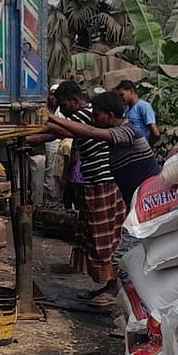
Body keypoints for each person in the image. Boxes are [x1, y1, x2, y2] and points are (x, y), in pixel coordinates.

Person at [43, 81, 123, 303]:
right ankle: (109, 284)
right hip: (95, 182)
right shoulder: (87, 114)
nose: (63, 109)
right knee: (95, 233)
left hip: (103, 182)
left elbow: (52, 133)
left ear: (73, 101)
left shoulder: (84, 115)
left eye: (63, 105)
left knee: (103, 235)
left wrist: (33, 127)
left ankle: (114, 286)